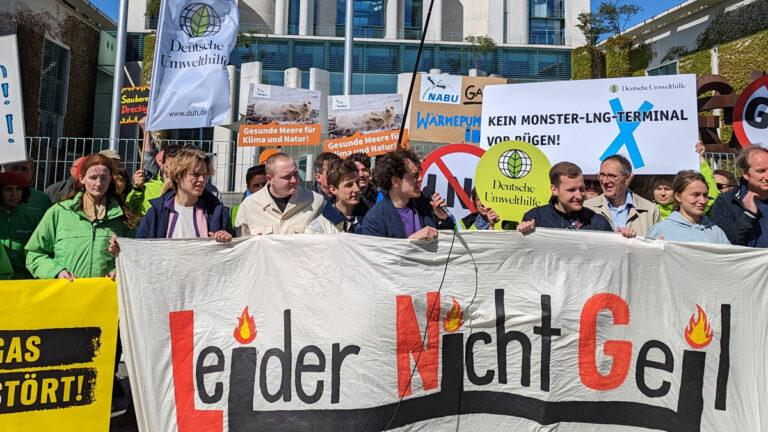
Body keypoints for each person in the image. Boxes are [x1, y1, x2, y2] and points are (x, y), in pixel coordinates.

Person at [25, 153, 137, 280]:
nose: (99, 183)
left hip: (107, 295)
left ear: (110, 179)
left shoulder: (123, 216)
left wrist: (119, 270)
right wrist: (57, 272)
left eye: (104, 178)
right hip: (66, 294)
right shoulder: (60, 211)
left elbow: (136, 256)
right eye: (93, 178)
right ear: (82, 178)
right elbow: (34, 253)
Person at [134, 148, 233, 241]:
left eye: (204, 175)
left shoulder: (217, 212)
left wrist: (227, 240)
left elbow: (232, 252)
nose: (202, 180)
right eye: (195, 174)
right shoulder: (156, 213)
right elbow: (139, 250)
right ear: (177, 176)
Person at [361, 150, 452, 240]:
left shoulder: (426, 204)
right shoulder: (374, 219)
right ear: (395, 182)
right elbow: (378, 253)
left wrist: (443, 218)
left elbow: (448, 245)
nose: (420, 179)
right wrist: (410, 241)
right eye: (414, 176)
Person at [235, 153, 324, 235]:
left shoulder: (315, 201)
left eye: (295, 174)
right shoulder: (250, 206)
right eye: (287, 177)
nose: (294, 180)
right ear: (269, 179)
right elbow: (243, 245)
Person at [517, 162, 615, 235]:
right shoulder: (536, 217)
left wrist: (625, 238)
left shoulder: (599, 222)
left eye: (582, 189)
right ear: (554, 190)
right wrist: (522, 233)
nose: (579, 196)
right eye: (571, 190)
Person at [584, 154, 660, 236]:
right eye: (602, 175)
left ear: (628, 179)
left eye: (612, 176)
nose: (605, 181)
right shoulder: (587, 207)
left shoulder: (650, 210)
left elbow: (656, 246)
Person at [647, 171, 730, 244]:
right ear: (678, 196)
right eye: (696, 195)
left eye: (705, 195)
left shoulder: (716, 231)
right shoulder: (661, 230)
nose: (703, 201)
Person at [711, 145, 768, 247]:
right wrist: (748, 216)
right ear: (745, 174)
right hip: (746, 262)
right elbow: (724, 243)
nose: (767, 177)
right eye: (761, 171)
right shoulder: (726, 202)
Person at [307, 159, 364, 234]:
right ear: (333, 189)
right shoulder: (319, 228)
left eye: (357, 182)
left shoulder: (372, 218)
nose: (356, 189)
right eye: (349, 185)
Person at [0, 171, 37, 278]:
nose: (14, 194)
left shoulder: (31, 218)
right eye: (8, 189)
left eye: (18, 189)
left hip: (23, 279)